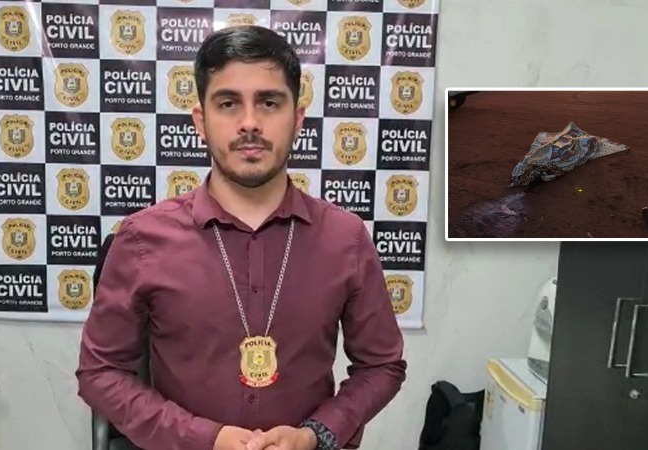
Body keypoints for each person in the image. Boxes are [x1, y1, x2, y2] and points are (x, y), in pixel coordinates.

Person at [76, 25, 407, 450]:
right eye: (228, 103)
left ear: (297, 119)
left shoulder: (346, 238)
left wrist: (316, 435)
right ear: (201, 121)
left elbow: (382, 365)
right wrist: (204, 439)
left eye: (269, 102)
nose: (250, 123)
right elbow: (99, 372)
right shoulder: (142, 239)